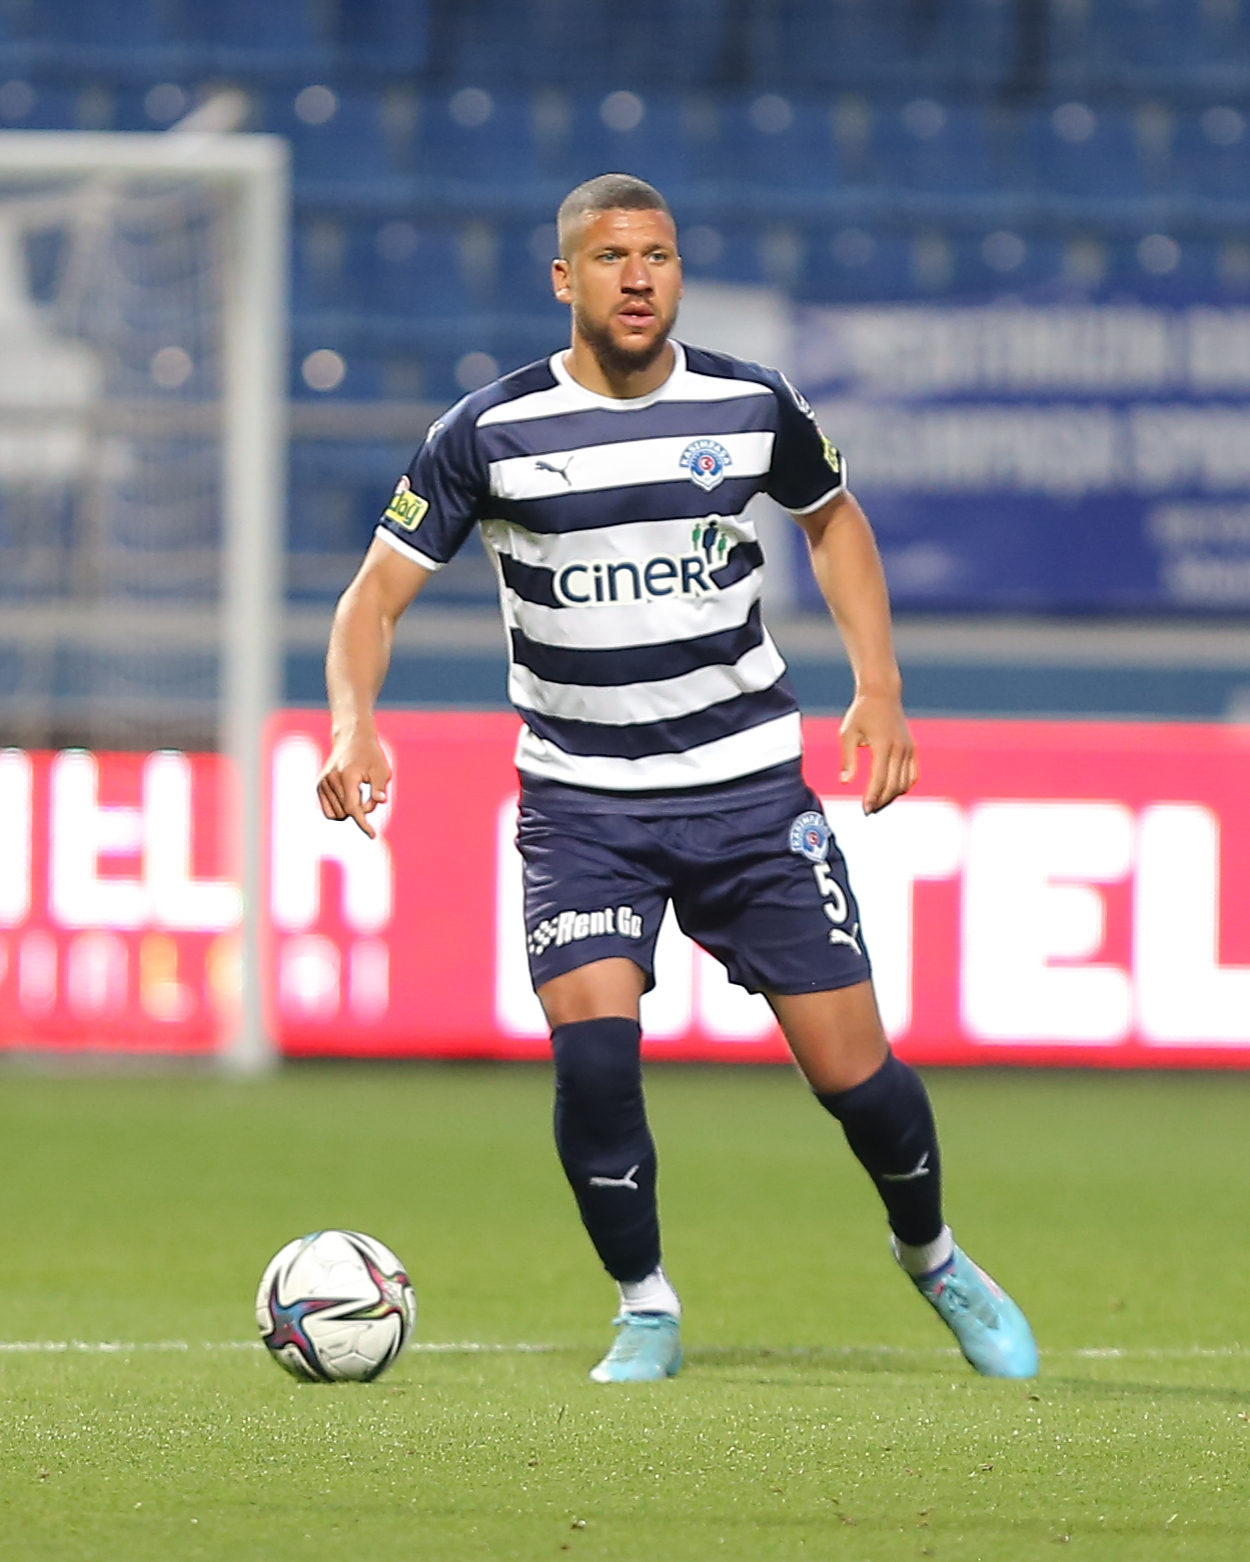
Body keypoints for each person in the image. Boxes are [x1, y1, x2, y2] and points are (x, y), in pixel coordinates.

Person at [317, 173, 1037, 1384]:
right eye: (611, 257)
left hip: (748, 794)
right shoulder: (485, 433)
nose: (637, 276)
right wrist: (353, 724)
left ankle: (933, 1256)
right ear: (565, 278)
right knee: (594, 1058)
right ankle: (643, 1303)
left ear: (678, 273)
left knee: (855, 1077)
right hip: (581, 804)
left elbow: (832, 518)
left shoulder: (750, 404)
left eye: (655, 254)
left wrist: (878, 684)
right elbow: (371, 598)